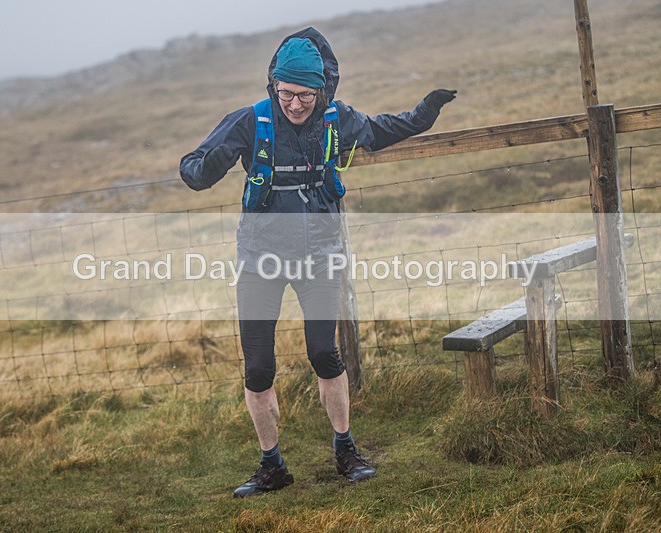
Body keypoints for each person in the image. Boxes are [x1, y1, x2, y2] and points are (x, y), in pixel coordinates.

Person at [180, 27, 456, 498]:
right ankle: (272, 466)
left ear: (321, 90)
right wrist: (205, 167)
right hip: (259, 262)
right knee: (258, 368)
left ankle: (346, 450)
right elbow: (194, 167)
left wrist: (424, 113)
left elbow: (384, 129)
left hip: (320, 256)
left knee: (324, 353)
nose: (294, 104)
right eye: (286, 93)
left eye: (304, 95)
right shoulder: (250, 121)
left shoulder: (337, 119)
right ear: (274, 86)